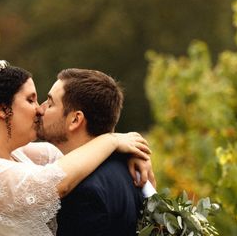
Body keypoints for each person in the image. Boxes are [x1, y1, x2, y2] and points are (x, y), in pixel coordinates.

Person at [0, 61, 151, 236]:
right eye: (31, 100)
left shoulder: (15, 155)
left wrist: (132, 149)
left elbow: (67, 154)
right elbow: (51, 182)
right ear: (3, 109)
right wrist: (110, 141)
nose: (39, 110)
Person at [37, 68, 155, 236]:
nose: (40, 109)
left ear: (75, 119)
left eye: (50, 103)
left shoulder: (82, 191)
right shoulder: (129, 170)